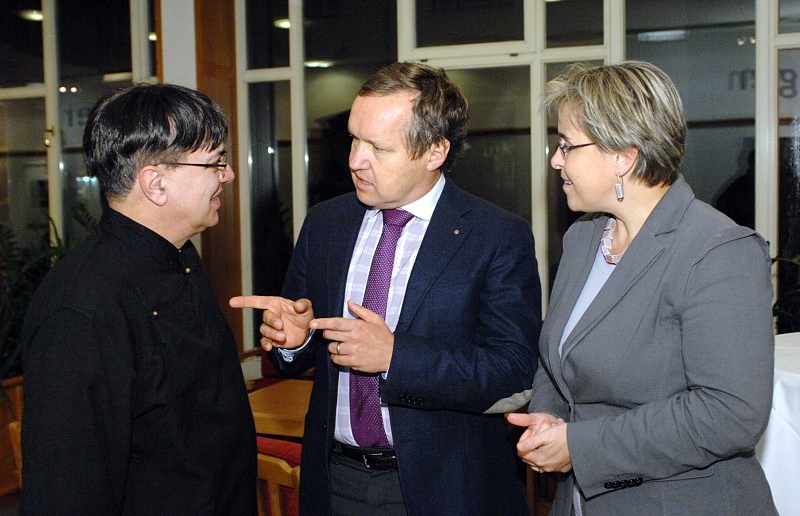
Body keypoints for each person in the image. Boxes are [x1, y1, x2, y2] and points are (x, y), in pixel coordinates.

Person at [231, 62, 541, 516]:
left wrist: (396, 356)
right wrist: (294, 341)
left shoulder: (494, 236)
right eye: (355, 140)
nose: (356, 160)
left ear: (434, 152)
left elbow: (513, 369)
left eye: (378, 147)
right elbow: (296, 352)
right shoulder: (326, 223)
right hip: (335, 479)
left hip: (444, 489)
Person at [508, 61, 777, 515]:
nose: (555, 160)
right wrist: (549, 417)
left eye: (567, 145)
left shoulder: (717, 250)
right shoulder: (583, 238)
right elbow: (558, 360)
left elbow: (730, 413)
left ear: (623, 157)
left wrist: (580, 446)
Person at [21, 84, 256, 514]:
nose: (228, 175)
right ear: (156, 183)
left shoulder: (181, 258)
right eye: (215, 162)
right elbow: (68, 491)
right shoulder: (81, 309)